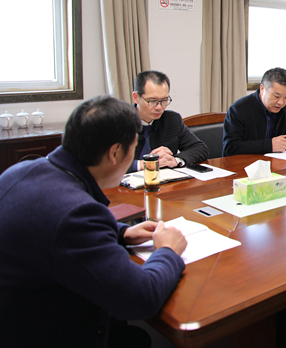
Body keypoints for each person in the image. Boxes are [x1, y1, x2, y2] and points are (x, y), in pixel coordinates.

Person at [0, 95, 187, 347]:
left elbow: (49, 228)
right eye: (134, 149)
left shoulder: (21, 171)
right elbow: (140, 299)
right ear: (115, 153)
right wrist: (168, 251)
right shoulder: (75, 213)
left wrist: (121, 233)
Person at [130, 70, 208, 172]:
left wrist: (175, 160)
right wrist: (144, 164)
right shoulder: (117, 123)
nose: (159, 107)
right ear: (136, 98)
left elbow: (200, 148)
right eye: (152, 101)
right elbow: (109, 164)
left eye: (164, 100)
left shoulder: (171, 119)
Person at [223, 67, 286, 156]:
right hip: (246, 162)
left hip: (276, 160)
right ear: (262, 89)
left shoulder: (285, 108)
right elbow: (230, 147)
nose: (281, 102)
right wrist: (269, 145)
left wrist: (284, 142)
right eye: (276, 96)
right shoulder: (239, 109)